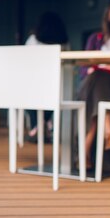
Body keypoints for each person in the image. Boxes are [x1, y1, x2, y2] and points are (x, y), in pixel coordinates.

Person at [78, 0, 110, 172]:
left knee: (101, 76)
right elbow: (83, 69)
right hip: (93, 86)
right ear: (108, 15)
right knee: (99, 76)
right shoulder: (96, 39)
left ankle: (84, 150)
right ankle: (108, 130)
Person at [24, 11, 69, 142]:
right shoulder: (64, 43)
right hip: (56, 88)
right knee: (52, 95)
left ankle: (36, 125)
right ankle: (45, 122)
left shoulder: (33, 40)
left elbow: (25, 63)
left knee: (26, 92)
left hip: (33, 87)